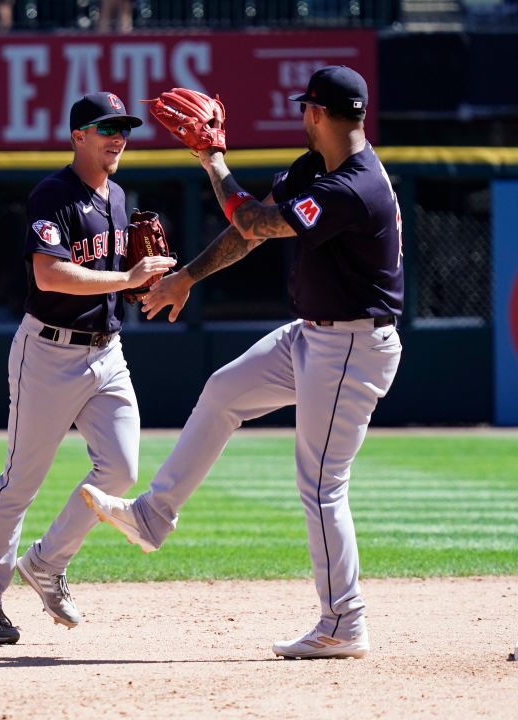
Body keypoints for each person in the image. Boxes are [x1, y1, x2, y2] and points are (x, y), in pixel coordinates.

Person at [81, 65, 404, 660]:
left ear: (317, 114)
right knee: (225, 390)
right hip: (314, 336)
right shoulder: (320, 169)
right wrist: (186, 278)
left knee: (322, 485)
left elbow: (252, 220)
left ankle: (344, 621)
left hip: (353, 347)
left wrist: (213, 159)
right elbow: (250, 229)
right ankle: (154, 515)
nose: (301, 115)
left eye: (306, 108)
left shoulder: (353, 186)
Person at [0, 92, 177, 644]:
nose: (118, 136)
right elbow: (51, 275)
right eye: (106, 128)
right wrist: (126, 280)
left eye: (123, 128)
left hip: (108, 351)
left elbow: (114, 276)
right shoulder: (52, 194)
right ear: (78, 135)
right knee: (22, 481)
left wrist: (143, 286)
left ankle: (47, 562)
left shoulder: (120, 195)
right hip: (49, 351)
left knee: (122, 471)